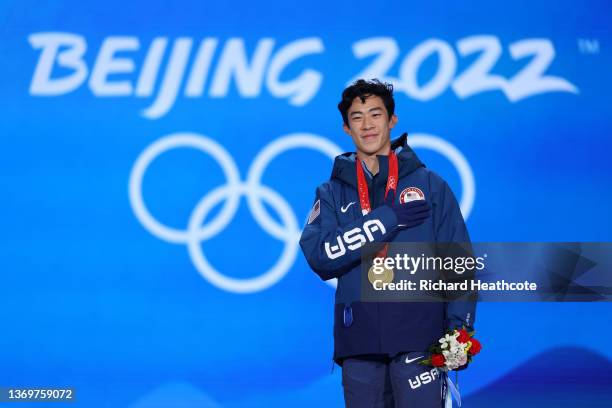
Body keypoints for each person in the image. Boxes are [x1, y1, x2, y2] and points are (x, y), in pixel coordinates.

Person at [299, 79, 476, 407]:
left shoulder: (431, 185)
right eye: (357, 117)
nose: (367, 125)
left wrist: (459, 331)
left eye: (375, 114)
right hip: (360, 343)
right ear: (346, 128)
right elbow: (320, 255)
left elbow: (459, 263)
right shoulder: (332, 193)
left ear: (392, 120)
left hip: (421, 340)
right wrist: (386, 219)